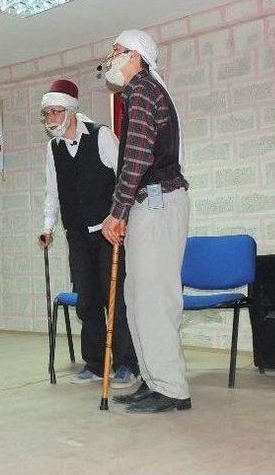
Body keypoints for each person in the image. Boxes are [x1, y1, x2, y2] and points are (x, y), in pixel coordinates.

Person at [101, 30, 191, 413]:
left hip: (156, 203)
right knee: (137, 297)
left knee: (153, 298)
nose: (111, 60)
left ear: (135, 56)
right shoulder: (140, 93)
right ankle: (153, 380)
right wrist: (125, 208)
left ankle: (171, 388)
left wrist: (116, 211)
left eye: (116, 52)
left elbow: (136, 157)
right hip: (149, 204)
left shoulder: (142, 91)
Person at [38, 80, 139, 388]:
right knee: (87, 299)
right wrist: (47, 226)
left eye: (56, 112)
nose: (51, 119)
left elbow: (125, 177)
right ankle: (95, 363)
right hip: (78, 233)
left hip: (109, 231)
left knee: (117, 299)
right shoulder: (53, 148)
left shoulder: (101, 135)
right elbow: (52, 191)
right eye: (47, 114)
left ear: (71, 111)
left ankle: (126, 364)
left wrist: (119, 216)